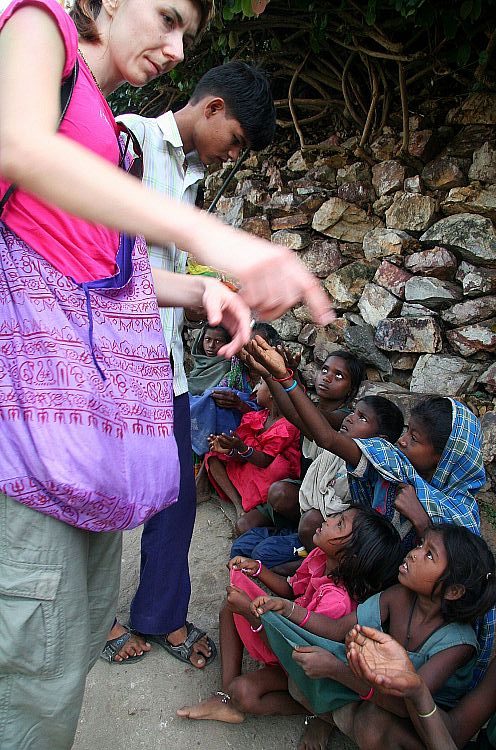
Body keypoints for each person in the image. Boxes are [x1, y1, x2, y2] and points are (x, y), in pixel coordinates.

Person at [0, 1, 333, 746]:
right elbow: (17, 146)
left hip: (89, 420)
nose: (177, 48)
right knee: (32, 668)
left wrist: (200, 290)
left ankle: (150, 617)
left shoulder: (95, 115)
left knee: (65, 649)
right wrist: (216, 239)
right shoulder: (36, 23)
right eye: (168, 15)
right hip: (29, 431)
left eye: (189, 31)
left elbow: (99, 275)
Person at [98, 62, 293, 668]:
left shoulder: (192, 177)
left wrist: (214, 292)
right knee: (97, 492)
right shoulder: (125, 139)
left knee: (176, 494)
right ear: (212, 108)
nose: (232, 154)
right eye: (234, 139)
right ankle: (95, 615)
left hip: (166, 363)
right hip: (105, 363)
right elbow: (94, 257)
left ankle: (160, 615)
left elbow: (168, 265)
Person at [252, 523, 496, 749]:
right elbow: (337, 630)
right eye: (421, 545)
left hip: (422, 723)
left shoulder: (457, 644)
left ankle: (334, 718)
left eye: (429, 555)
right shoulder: (399, 596)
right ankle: (328, 719)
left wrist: (336, 670)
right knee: (301, 682)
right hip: (382, 688)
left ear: (453, 591)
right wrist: (288, 609)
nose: (414, 553)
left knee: (371, 723)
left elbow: (407, 704)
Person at [176, 505, 403, 725]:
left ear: (350, 557)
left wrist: (252, 615)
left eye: (340, 524)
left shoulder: (336, 602)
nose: (330, 519)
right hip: (287, 635)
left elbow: (292, 650)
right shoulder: (320, 557)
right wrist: (258, 569)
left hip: (298, 661)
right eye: (338, 516)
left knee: (243, 692)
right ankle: (225, 698)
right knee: (229, 608)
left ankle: (319, 713)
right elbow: (291, 588)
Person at [230, 395, 405, 570]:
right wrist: (277, 380)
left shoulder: (371, 464)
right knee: (243, 543)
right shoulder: (335, 450)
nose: (350, 418)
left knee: (264, 554)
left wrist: (286, 382)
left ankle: (316, 564)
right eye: (353, 412)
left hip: (331, 534)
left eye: (362, 418)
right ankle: (291, 540)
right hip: (311, 523)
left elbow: (319, 432)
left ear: (380, 440)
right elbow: (295, 416)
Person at [234, 349, 365, 537]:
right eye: (325, 370)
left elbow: (298, 412)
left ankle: (299, 536)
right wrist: (280, 374)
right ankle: (287, 532)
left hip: (323, 497)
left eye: (338, 376)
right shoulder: (310, 407)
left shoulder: (343, 419)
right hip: (302, 486)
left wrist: (277, 376)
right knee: (243, 526)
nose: (327, 378)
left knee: (280, 493)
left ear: (351, 390)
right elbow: (297, 407)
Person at [346, 624, 496, 749]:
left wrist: (337, 670)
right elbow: (455, 734)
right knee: (374, 723)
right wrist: (417, 690)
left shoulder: (461, 642)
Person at [204, 377, 301, 519]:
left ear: (272, 393)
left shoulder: (287, 426)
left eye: (260, 383)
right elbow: (245, 454)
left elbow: (265, 460)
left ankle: (252, 501)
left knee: (278, 468)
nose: (256, 388)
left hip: (266, 470)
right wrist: (229, 450)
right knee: (212, 456)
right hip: (251, 463)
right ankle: (238, 503)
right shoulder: (259, 416)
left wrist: (241, 447)